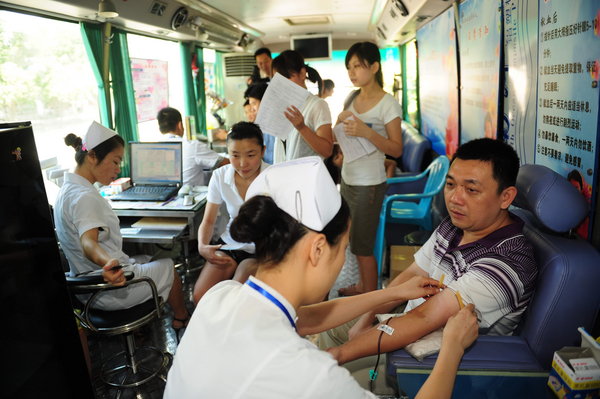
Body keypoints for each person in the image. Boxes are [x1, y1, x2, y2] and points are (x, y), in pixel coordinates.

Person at [164, 156, 479, 399]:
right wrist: (452, 347)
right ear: (316, 249)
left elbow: (303, 319)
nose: (343, 259)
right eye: (343, 248)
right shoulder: (309, 374)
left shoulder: (221, 296)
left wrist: (391, 293)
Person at [321, 138, 538, 366]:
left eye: (472, 189)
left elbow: (424, 318)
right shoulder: (454, 226)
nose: (455, 199)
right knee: (331, 326)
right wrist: (364, 321)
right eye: (451, 184)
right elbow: (411, 275)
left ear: (506, 197)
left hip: (436, 357)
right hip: (405, 321)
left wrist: (340, 355)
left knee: (332, 365)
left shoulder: (508, 262)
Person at [54, 121, 190, 334]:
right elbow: (88, 242)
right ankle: (182, 320)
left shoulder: (67, 190)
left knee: (148, 259)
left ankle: (142, 335)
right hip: (109, 288)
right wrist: (109, 263)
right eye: (115, 162)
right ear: (92, 156)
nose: (118, 170)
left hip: (86, 287)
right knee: (169, 267)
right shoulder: (84, 197)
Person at [336, 42, 403, 296]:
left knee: (363, 247)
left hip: (369, 184)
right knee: (352, 241)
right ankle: (363, 286)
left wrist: (366, 132)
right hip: (348, 178)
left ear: (374, 67)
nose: (352, 73)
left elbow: (396, 150)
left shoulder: (388, 104)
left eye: (357, 66)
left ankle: (370, 298)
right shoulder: (352, 98)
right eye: (349, 67)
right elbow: (347, 131)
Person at [192, 121, 268, 304]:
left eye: (251, 155)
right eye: (235, 155)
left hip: (265, 248)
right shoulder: (220, 176)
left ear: (263, 151)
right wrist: (202, 246)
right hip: (232, 243)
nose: (243, 164)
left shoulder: (273, 176)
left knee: (236, 297)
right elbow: (208, 221)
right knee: (200, 297)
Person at [271, 49, 333, 160]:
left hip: (308, 174)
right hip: (283, 173)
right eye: (279, 80)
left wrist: (302, 127)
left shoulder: (317, 105)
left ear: (302, 74)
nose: (284, 84)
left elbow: (327, 150)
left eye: (288, 77)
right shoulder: (283, 107)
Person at [157, 107, 229, 187]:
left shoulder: (154, 149)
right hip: (193, 196)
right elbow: (225, 163)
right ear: (180, 125)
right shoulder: (192, 146)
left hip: (165, 197)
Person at [245, 82, 277, 164]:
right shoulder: (260, 124)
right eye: (250, 105)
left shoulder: (276, 122)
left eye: (254, 104)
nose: (252, 109)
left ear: (265, 101)